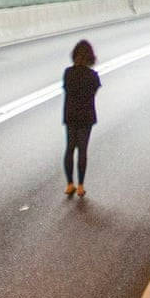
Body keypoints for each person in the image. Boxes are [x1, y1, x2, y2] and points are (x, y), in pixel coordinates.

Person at [62, 39, 100, 197]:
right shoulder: (93, 76)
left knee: (70, 148)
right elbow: (93, 92)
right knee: (82, 150)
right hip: (86, 116)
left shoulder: (68, 73)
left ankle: (69, 183)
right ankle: (81, 186)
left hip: (70, 115)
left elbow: (67, 90)